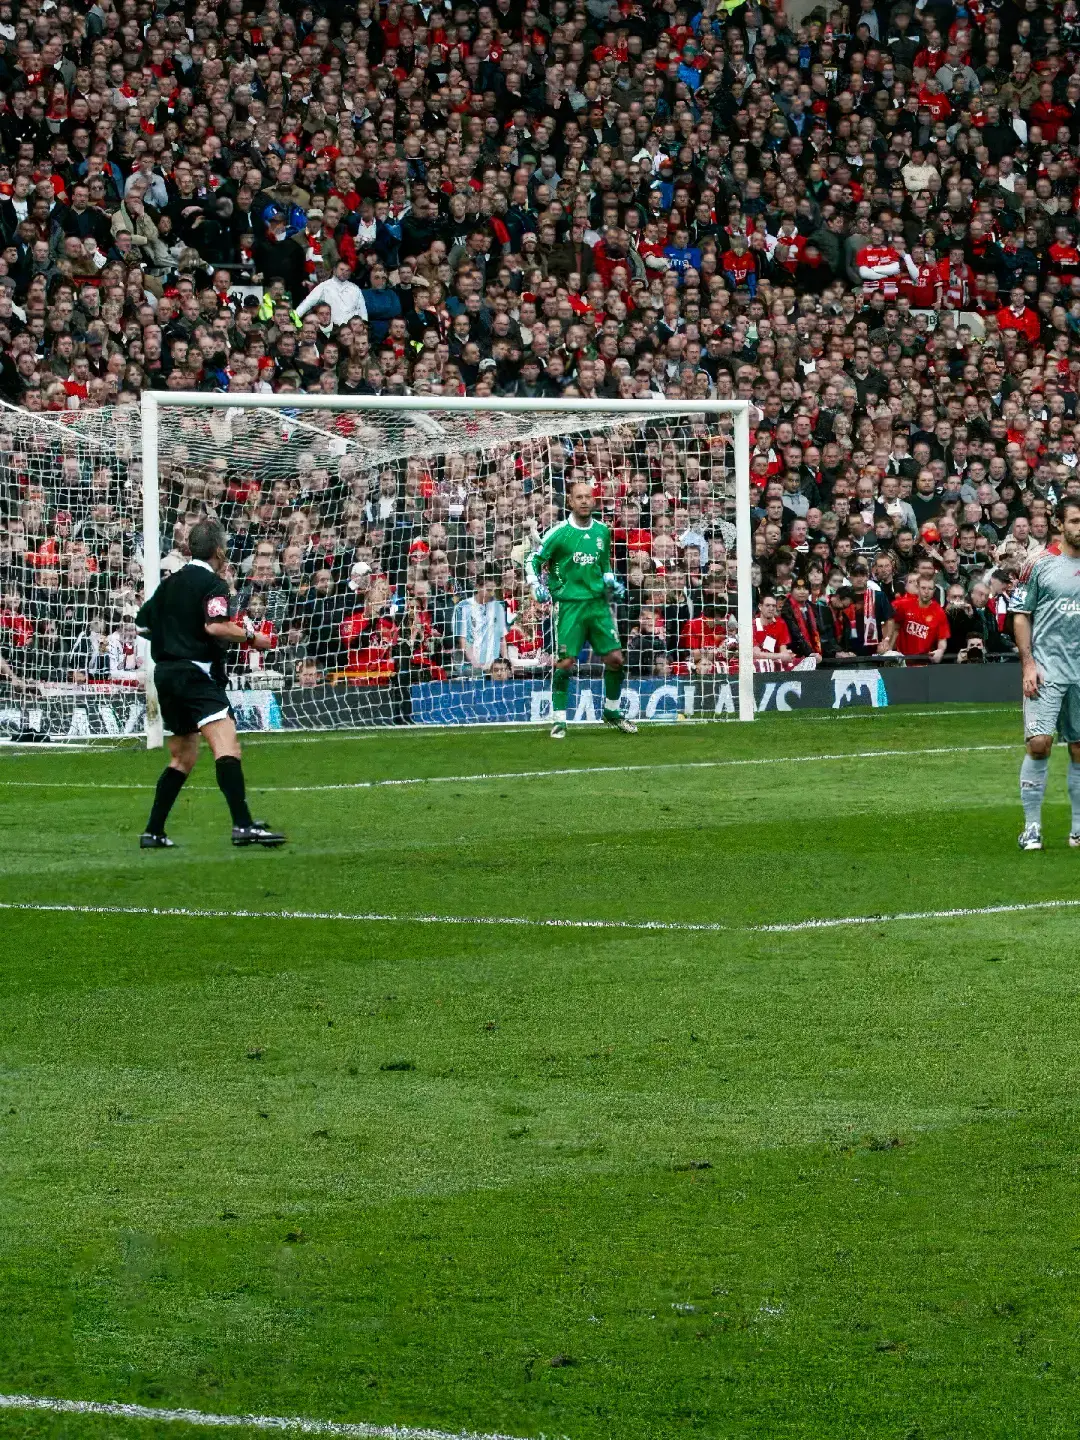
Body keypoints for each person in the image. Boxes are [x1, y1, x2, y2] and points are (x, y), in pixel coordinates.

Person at [134, 519, 285, 850]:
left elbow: (143, 623)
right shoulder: (214, 584)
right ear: (220, 549)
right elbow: (216, 627)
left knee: (183, 757)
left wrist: (174, 632)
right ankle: (243, 826)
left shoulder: (169, 584)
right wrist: (252, 637)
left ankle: (153, 831)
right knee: (227, 747)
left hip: (167, 676)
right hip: (195, 675)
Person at [525, 479, 635, 738]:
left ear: (594, 500)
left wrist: (609, 579)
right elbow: (533, 558)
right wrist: (534, 585)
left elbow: (604, 564)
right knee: (565, 662)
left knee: (616, 659)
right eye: (579, 497)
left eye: (588, 496)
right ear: (570, 502)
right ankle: (560, 720)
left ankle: (612, 711)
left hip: (597, 606)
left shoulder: (602, 531)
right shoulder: (559, 533)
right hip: (569, 606)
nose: (585, 501)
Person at [1009, 499, 1080, 852]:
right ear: (1060, 524)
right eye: (1076, 521)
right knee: (1040, 744)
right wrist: (1028, 663)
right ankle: (1032, 827)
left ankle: (1078, 830)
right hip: (1047, 669)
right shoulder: (1039, 564)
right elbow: (1020, 613)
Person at [892, 576, 950, 664]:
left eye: (930, 588)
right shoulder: (903, 605)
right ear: (918, 588)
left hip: (923, 661)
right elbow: (893, 625)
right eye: (923, 588)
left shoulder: (939, 612)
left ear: (934, 590)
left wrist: (940, 650)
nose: (926, 592)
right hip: (901, 660)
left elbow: (942, 638)